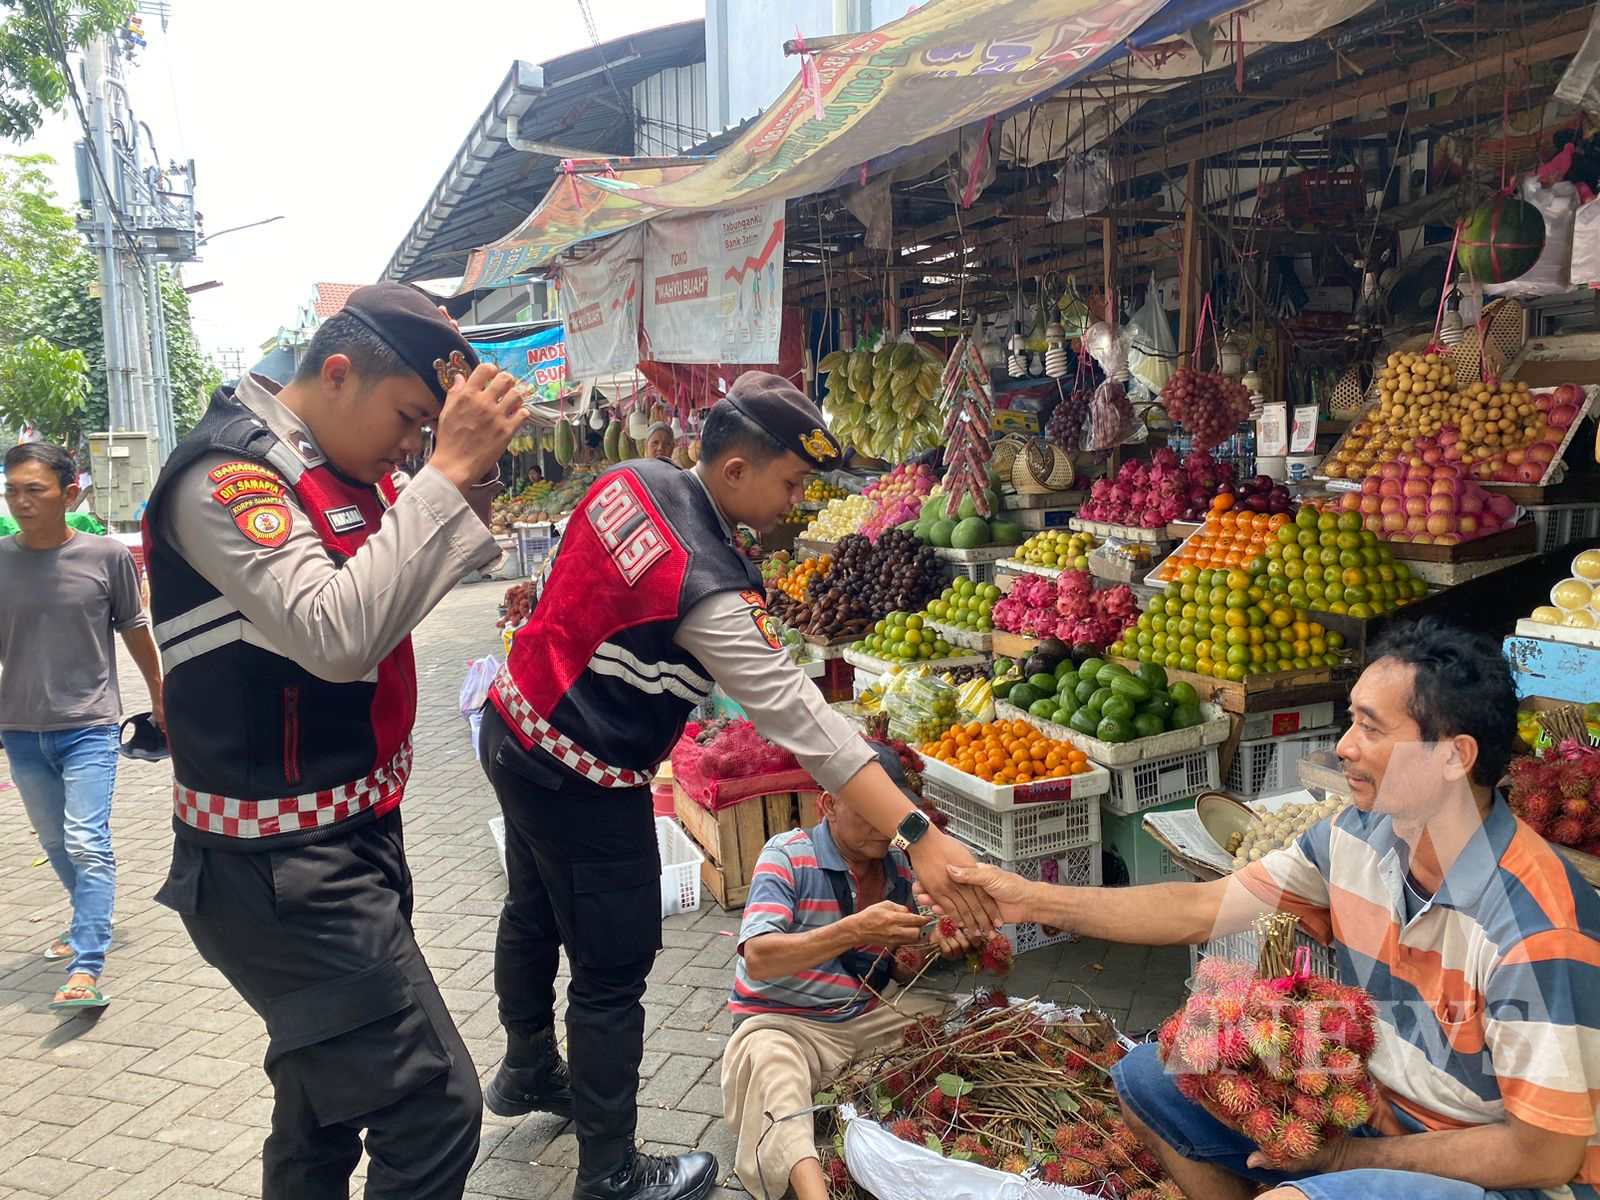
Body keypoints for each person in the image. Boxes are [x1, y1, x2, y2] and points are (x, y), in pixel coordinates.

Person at [479, 370, 997, 1200]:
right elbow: (804, 718)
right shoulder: (707, 581)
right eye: (791, 482)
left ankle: (527, 1066)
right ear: (734, 472)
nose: (796, 500)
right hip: (584, 773)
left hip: (512, 727)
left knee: (534, 907)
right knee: (613, 968)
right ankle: (609, 1171)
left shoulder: (632, 480)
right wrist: (918, 833)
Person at [942, 619, 1600, 1200]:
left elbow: (1542, 1152)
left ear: (1454, 757)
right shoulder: (1356, 838)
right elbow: (1199, 909)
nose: (1342, 746)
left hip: (1506, 1176)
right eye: (1351, 720)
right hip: (1383, 1110)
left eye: (1370, 727)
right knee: (1152, 1074)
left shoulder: (1538, 930)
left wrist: (1347, 1159)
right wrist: (1025, 898)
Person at [144, 283, 528, 1200]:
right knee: (432, 1108)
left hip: (343, 845)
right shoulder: (227, 476)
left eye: (427, 429)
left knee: (322, 1106)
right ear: (340, 372)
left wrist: (445, 486)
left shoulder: (336, 471)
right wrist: (441, 479)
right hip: (279, 872)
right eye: (409, 418)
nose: (413, 445)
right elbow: (336, 633)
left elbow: (391, 597)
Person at [720, 743, 972, 1200]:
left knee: (958, 1023)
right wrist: (852, 929)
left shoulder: (898, 866)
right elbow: (757, 956)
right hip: (783, 1022)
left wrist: (937, 946)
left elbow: (892, 964)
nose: (883, 824)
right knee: (773, 1065)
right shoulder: (787, 855)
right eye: (867, 809)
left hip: (862, 1016)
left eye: (889, 811)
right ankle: (813, 1190)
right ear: (828, 805)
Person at [0, 441, 163, 1011]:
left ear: (70, 493)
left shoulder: (106, 557)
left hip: (89, 725)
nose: (21, 501)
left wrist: (162, 697)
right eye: (12, 489)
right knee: (55, 842)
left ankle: (85, 966)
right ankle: (88, 919)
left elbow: (135, 629)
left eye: (34, 490)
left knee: (85, 840)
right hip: (18, 729)